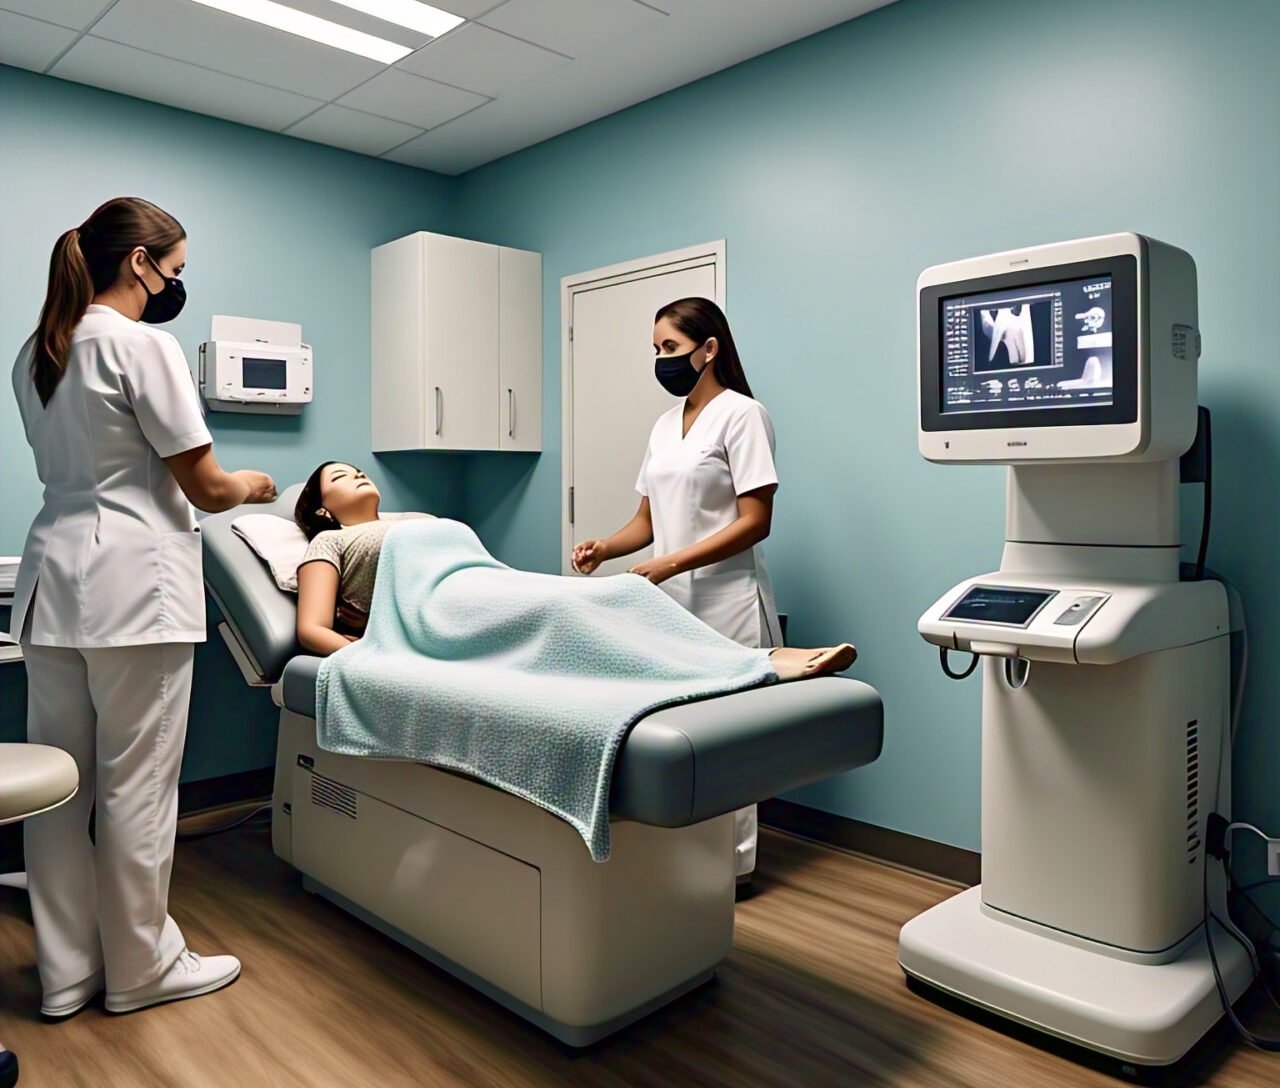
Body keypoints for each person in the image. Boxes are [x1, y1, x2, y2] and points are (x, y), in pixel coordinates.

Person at [8, 197, 276, 1021]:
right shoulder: (140, 344)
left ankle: (67, 972)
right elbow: (205, 485)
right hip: (132, 586)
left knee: (62, 786)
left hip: (53, 582)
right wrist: (254, 488)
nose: (175, 286)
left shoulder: (35, 354)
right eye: (177, 270)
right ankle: (140, 968)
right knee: (138, 786)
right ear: (140, 264)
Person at [570, 297, 784, 884]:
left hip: (729, 601)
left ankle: (733, 869)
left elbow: (754, 522)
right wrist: (605, 549)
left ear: (708, 349)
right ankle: (684, 860)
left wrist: (669, 564)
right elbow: (647, 522)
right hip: (672, 605)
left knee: (729, 738)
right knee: (679, 732)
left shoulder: (744, 415)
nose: (660, 361)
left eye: (670, 348)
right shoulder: (665, 427)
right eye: (656, 350)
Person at [293, 461, 855, 682]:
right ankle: (756, 665)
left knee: (619, 596)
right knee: (574, 606)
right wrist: (380, 654)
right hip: (442, 611)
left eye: (361, 469)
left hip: (486, 581)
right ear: (322, 507)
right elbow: (311, 629)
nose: (360, 475)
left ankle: (756, 661)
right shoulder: (330, 543)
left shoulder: (416, 520)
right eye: (342, 476)